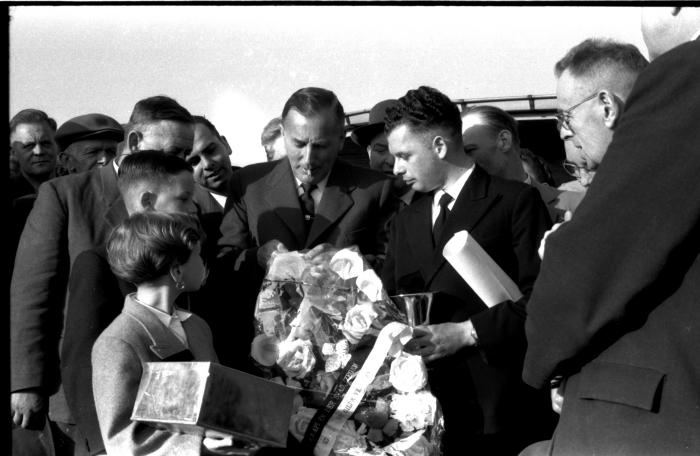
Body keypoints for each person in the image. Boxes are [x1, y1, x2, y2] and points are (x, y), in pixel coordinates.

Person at [522, 7, 700, 455]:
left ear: (607, 106)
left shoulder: (686, 71)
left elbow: (584, 274)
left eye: (565, 119)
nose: (565, 135)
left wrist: (548, 363)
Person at [10, 95, 201, 455]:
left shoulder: (183, 200)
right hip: (80, 394)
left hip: (163, 397)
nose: (179, 162)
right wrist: (26, 383)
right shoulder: (66, 195)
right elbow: (32, 293)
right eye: (173, 151)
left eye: (185, 155)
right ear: (133, 142)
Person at [381, 86, 555, 455]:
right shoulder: (405, 220)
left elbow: (544, 300)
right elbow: (390, 304)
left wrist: (467, 332)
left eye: (405, 156)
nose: (396, 169)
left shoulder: (514, 201)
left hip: (502, 407)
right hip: (428, 412)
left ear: (440, 147)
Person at [216, 87, 395, 365]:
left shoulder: (375, 189)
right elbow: (223, 263)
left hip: (349, 355)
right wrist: (258, 257)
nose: (309, 159)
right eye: (299, 144)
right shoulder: (248, 185)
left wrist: (348, 264)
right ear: (284, 135)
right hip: (266, 351)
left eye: (321, 146)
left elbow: (394, 264)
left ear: (341, 140)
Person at [59, 151, 198, 455]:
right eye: (184, 199)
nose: (193, 209)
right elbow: (82, 360)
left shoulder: (182, 262)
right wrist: (103, 445)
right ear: (148, 202)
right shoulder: (98, 262)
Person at [92, 211, 217, 455]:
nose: (203, 263)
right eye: (198, 256)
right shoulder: (118, 342)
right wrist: (200, 446)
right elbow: (121, 439)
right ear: (176, 271)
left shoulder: (197, 326)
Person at [461, 105, 583, 223]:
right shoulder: (460, 214)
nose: (462, 162)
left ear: (504, 141)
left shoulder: (576, 205)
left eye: (470, 150)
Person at [351, 99, 416, 210]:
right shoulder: (353, 208)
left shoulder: (437, 205)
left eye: (400, 152)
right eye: (381, 150)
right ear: (369, 152)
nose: (391, 161)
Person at [186, 116, 238, 210]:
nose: (207, 164)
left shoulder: (266, 182)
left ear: (226, 144)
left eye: (210, 150)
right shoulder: (189, 217)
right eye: (194, 161)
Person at [9, 109, 59, 200]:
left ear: (57, 146)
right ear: (14, 153)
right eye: (29, 146)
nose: (39, 152)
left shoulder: (73, 189)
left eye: (45, 143)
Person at [55, 113, 124, 175]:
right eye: (93, 152)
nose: (105, 160)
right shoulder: (52, 189)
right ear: (66, 161)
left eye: (111, 152)